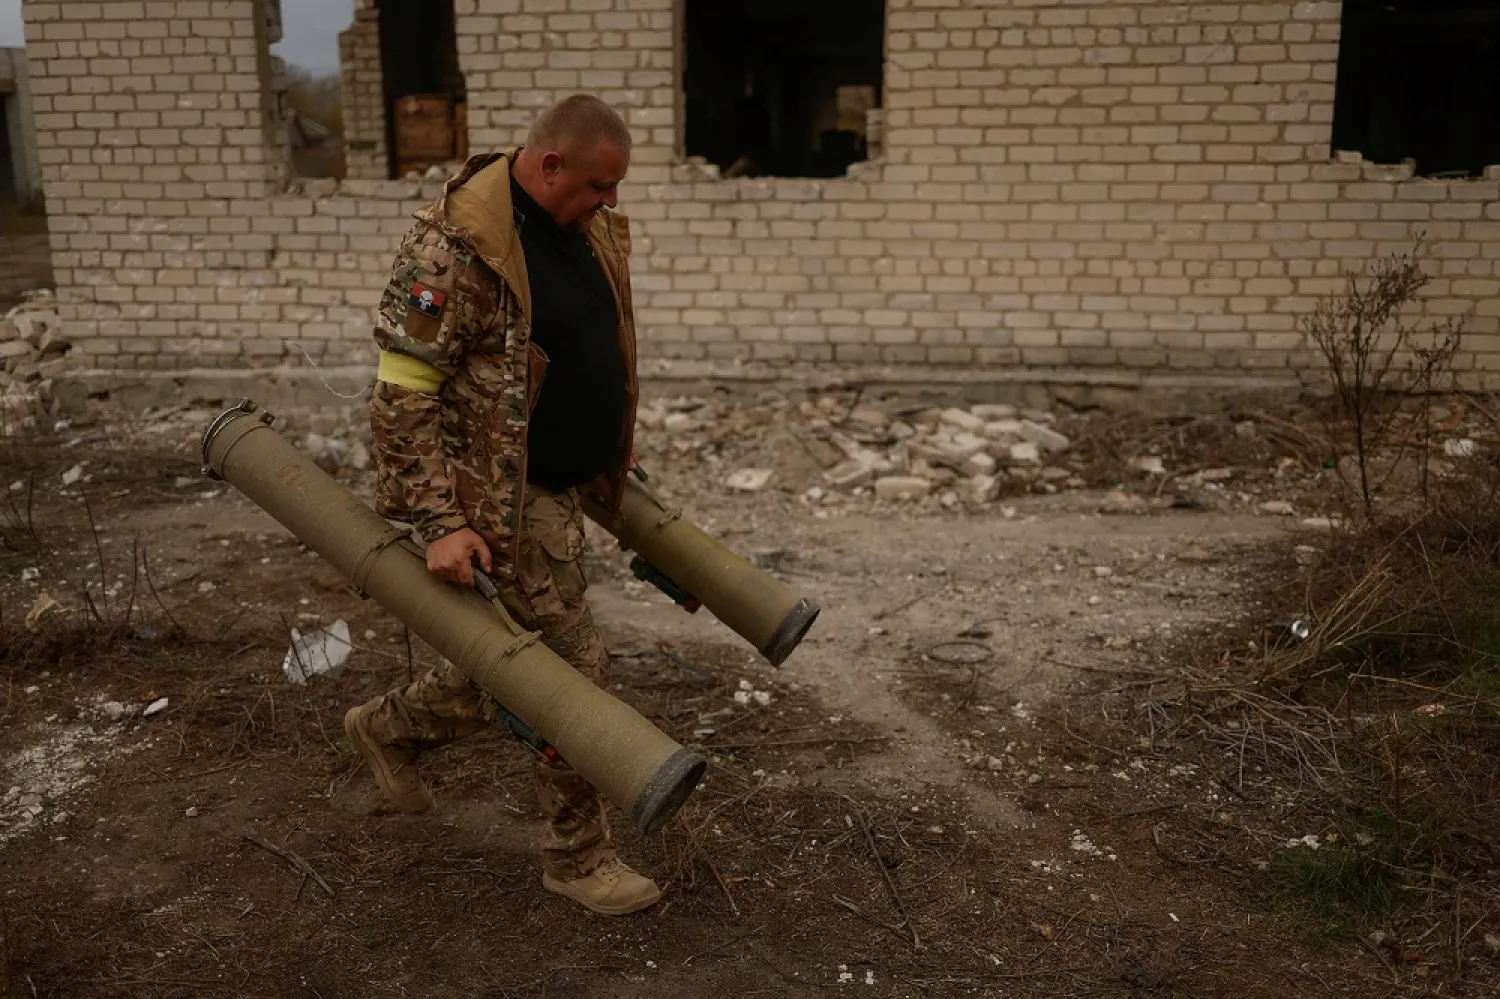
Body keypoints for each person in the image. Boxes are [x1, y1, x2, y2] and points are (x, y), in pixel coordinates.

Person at [342, 94, 660, 916]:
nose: (612, 201)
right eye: (601, 183)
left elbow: (588, 341)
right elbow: (402, 392)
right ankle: (577, 857)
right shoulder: (453, 250)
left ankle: (390, 726)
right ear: (550, 164)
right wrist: (442, 523)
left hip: (561, 488)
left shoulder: (575, 225)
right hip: (500, 505)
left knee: (508, 669)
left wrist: (609, 442)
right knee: (570, 675)